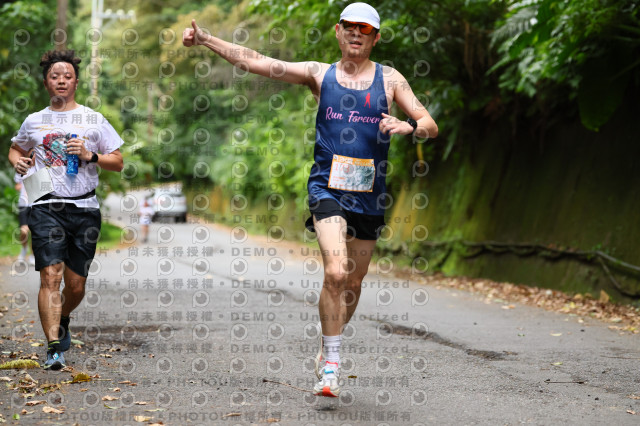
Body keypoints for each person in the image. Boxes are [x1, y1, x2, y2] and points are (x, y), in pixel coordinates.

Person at [183, 2, 438, 397]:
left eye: (365, 29)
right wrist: (206, 39)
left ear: (376, 38)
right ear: (338, 31)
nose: (356, 34)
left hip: (370, 195)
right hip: (327, 189)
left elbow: (429, 125)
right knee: (336, 273)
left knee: (353, 282)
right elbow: (259, 62)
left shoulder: (390, 80)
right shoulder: (320, 74)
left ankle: (327, 342)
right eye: (350, 27)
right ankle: (331, 365)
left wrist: (408, 126)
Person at [8, 49, 124, 370]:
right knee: (50, 275)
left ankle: (63, 317)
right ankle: (53, 348)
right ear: (46, 82)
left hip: (84, 207)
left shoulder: (93, 119)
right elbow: (16, 149)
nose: (61, 80)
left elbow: (118, 162)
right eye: (54, 76)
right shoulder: (34, 120)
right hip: (45, 204)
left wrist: (90, 155)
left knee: (75, 285)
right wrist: (19, 163)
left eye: (67, 76)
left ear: (76, 82)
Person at [14, 175, 35, 266]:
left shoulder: (40, 168)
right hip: (23, 205)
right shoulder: (21, 169)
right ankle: (24, 250)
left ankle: (32, 256)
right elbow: (17, 185)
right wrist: (19, 186)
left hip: (35, 204)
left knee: (34, 232)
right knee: (24, 231)